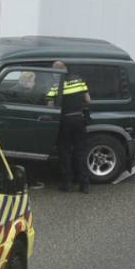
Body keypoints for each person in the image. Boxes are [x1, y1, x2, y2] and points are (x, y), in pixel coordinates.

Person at [46, 61, 91, 193]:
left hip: (64, 121)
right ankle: (84, 184)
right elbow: (88, 100)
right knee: (81, 152)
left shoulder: (55, 87)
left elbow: (50, 107)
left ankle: (67, 184)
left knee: (64, 153)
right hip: (79, 119)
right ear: (66, 69)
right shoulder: (79, 82)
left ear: (56, 73)